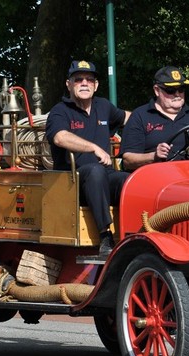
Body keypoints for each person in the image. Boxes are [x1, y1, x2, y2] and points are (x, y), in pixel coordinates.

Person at [46, 60, 131, 257]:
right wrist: (94, 148)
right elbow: (60, 137)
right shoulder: (60, 111)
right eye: (78, 80)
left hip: (104, 177)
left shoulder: (104, 106)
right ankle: (105, 237)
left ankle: (135, 232)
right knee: (95, 170)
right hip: (71, 183)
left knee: (130, 179)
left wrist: (155, 119)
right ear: (68, 84)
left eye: (89, 79)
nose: (84, 83)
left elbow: (130, 118)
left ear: (96, 85)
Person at [119, 65, 189, 171]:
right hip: (156, 178)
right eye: (170, 90)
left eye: (181, 89)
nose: (177, 94)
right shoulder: (140, 116)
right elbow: (128, 161)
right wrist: (154, 156)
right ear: (157, 90)